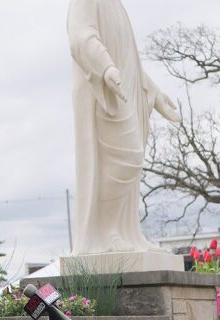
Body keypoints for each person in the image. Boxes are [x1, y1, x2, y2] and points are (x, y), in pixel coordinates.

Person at [67, 0, 182, 255]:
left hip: (123, 91)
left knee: (132, 159)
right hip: (102, 94)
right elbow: (80, 35)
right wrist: (105, 66)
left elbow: (128, 58)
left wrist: (154, 91)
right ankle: (106, 233)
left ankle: (125, 233)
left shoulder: (116, 6)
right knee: (125, 158)